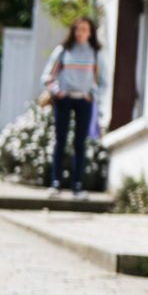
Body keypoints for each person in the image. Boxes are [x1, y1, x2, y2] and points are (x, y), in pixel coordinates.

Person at [41, 16, 106, 200]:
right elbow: (47, 76)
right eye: (78, 29)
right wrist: (56, 91)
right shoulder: (63, 51)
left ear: (90, 33)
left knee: (80, 143)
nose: (80, 33)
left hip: (83, 101)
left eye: (84, 29)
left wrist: (92, 94)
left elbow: (102, 81)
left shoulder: (95, 54)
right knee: (60, 140)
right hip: (64, 99)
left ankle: (77, 186)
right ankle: (55, 183)